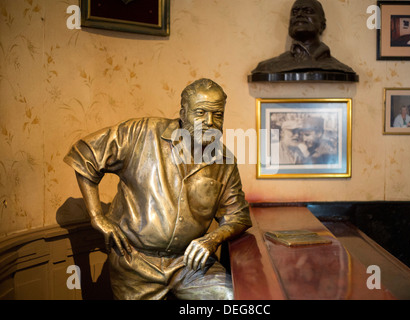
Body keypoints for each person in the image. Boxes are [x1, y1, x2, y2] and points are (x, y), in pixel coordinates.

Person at [64, 78, 252, 300]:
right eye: (200, 112)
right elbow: (85, 155)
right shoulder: (141, 132)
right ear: (183, 113)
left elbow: (238, 216)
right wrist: (96, 217)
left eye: (217, 114)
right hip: (135, 262)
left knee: (231, 297)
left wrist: (212, 239)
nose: (209, 121)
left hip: (189, 264)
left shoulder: (225, 161)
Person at [251, 0, 356, 75]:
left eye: (308, 11)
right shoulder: (267, 67)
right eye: (295, 12)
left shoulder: (339, 69)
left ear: (323, 25)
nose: (299, 15)